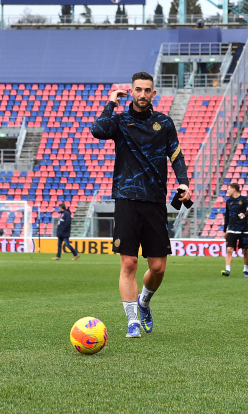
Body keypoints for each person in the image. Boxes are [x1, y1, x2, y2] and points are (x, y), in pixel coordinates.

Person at [91, 72, 190, 338]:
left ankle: (144, 302)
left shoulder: (164, 123)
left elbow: (177, 155)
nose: (143, 94)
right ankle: (132, 320)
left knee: (158, 268)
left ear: (153, 94)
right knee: (130, 263)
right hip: (126, 198)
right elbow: (98, 130)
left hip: (155, 200)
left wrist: (183, 182)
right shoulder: (120, 121)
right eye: (138, 89)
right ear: (131, 92)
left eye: (147, 90)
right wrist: (111, 103)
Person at [221, 183, 248, 277]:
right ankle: (227, 270)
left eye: (228, 189)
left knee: (245, 251)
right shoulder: (228, 201)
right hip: (231, 229)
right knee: (229, 250)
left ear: (234, 189)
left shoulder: (245, 199)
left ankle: (246, 270)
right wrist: (224, 230)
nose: (227, 191)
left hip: (243, 230)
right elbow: (226, 216)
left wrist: (244, 214)